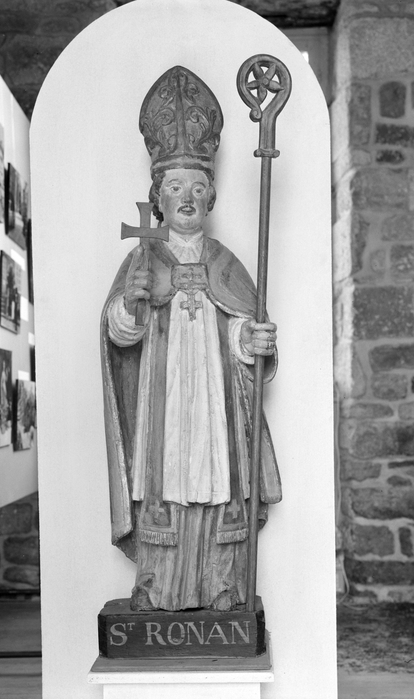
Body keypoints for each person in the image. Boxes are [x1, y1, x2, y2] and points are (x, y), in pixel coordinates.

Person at [101, 66, 281, 612]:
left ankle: (221, 583)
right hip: (162, 404)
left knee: (217, 479)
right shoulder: (143, 258)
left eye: (198, 188)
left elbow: (241, 329)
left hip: (214, 405)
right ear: (157, 198)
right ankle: (157, 585)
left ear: (211, 199)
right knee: (165, 482)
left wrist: (251, 340)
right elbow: (118, 336)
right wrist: (131, 306)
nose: (187, 197)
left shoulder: (225, 263)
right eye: (175, 187)